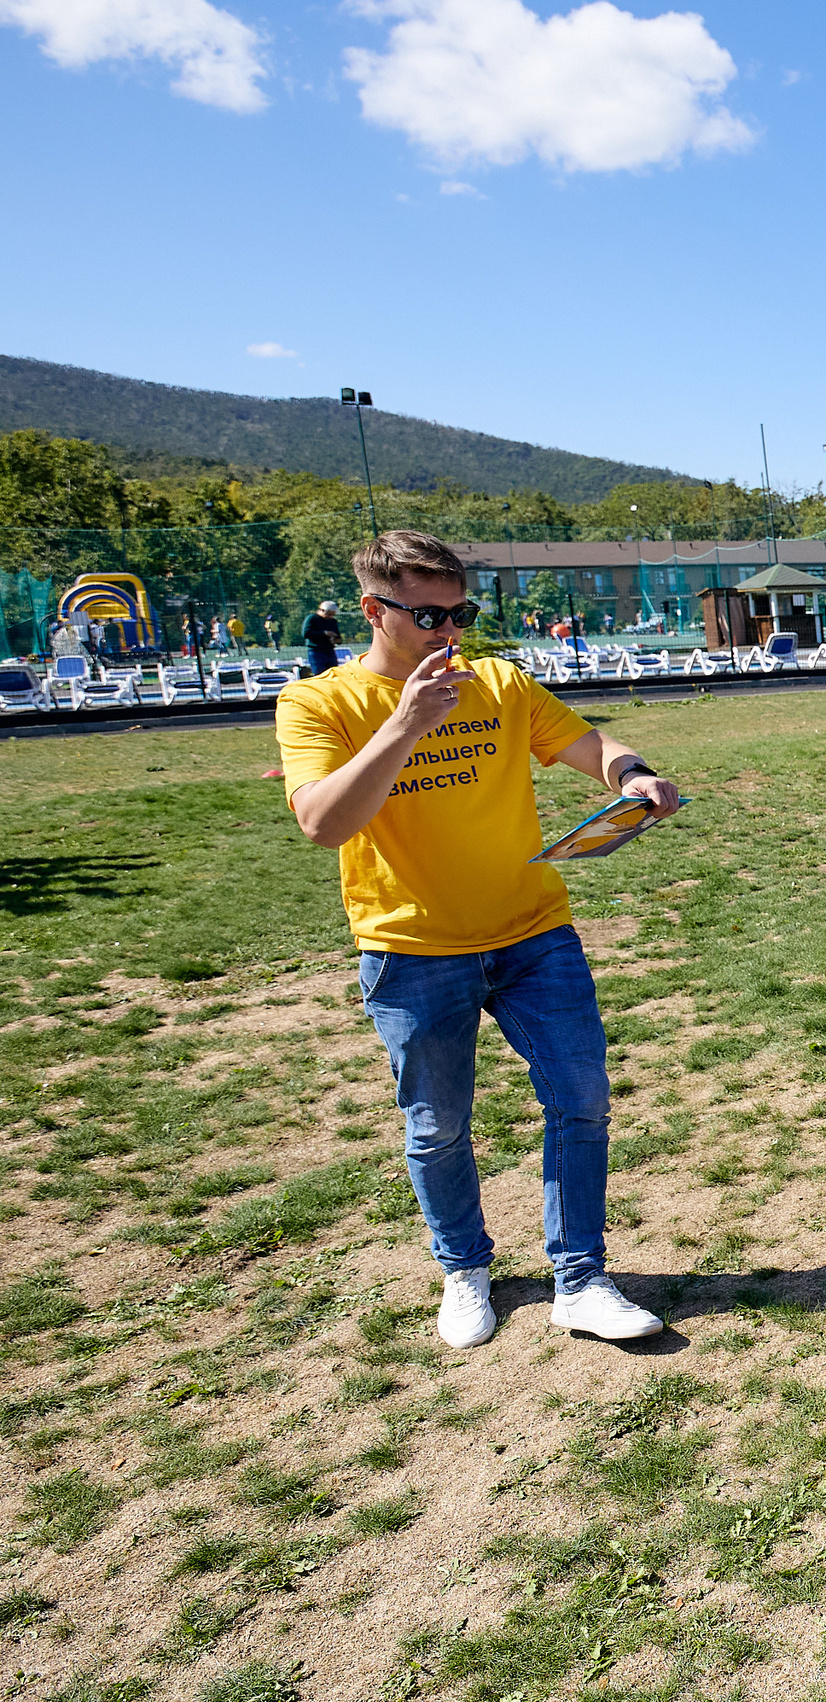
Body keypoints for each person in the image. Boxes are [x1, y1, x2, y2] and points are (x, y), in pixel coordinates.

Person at [274, 530, 681, 1349]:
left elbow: (587, 742)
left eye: (459, 612)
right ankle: (464, 1268)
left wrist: (631, 773)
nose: (449, 632)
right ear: (373, 610)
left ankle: (581, 1277)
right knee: (437, 1125)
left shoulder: (499, 682)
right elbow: (323, 822)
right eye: (428, 615)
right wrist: (404, 725)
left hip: (534, 935)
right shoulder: (318, 703)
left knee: (582, 1096)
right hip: (412, 948)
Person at [302, 601, 342, 678]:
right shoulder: (312, 619)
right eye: (329, 614)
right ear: (322, 610)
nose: (330, 616)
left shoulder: (333, 621)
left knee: (333, 674)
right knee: (320, 675)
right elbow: (306, 633)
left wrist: (336, 640)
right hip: (316, 651)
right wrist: (324, 633)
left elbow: (338, 636)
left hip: (330, 651)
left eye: (333, 614)